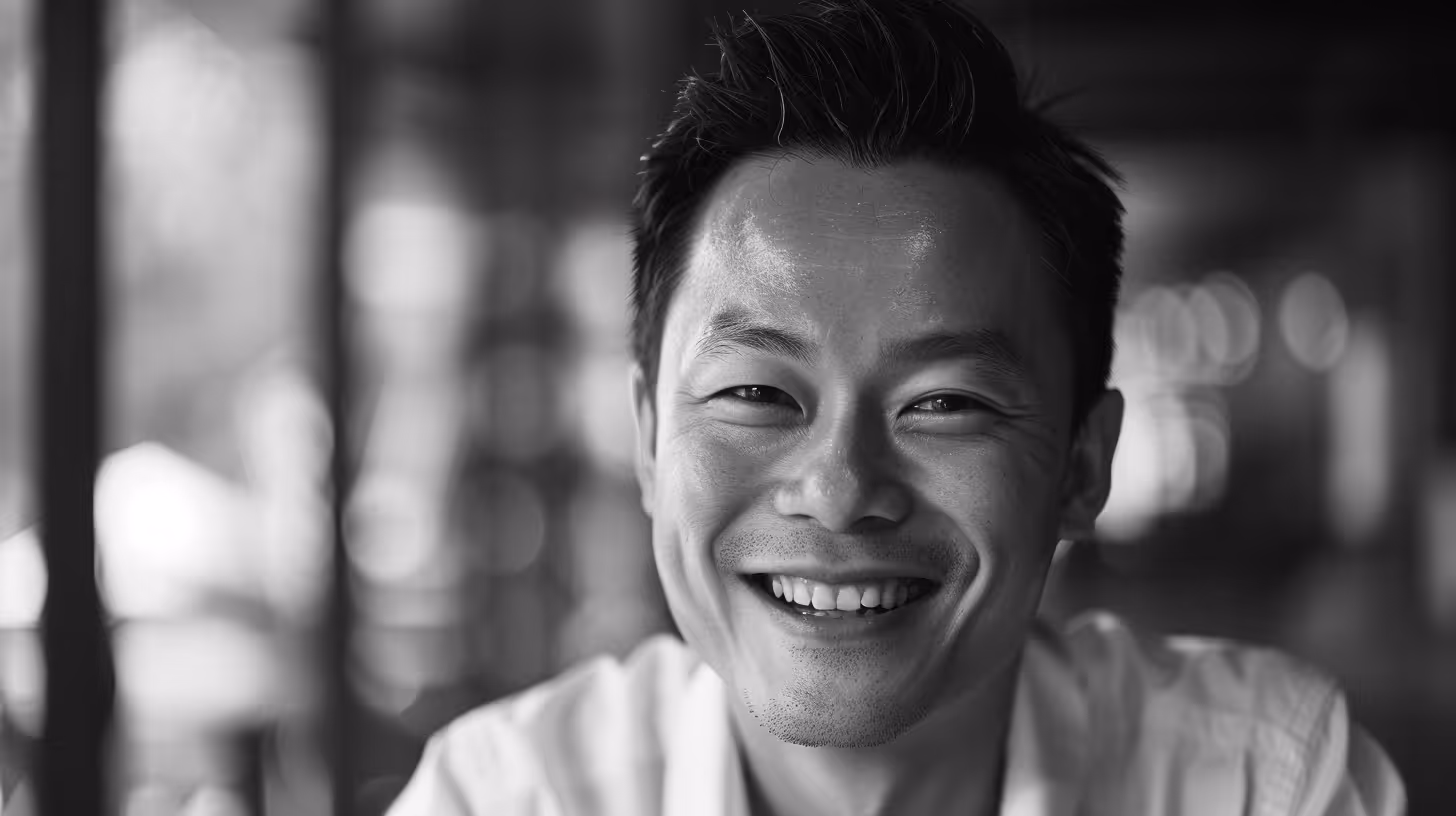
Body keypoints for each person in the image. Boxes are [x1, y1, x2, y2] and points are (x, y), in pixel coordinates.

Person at [387, 1, 1405, 813]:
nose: (837, 490)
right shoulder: (504, 795)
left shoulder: (1257, 783)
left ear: (1081, 469)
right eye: (755, 393)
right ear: (650, 437)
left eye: (945, 403)